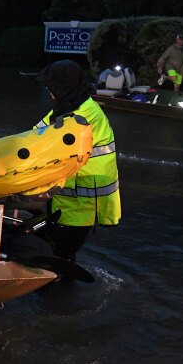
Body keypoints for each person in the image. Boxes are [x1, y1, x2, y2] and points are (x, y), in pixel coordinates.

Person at [35, 60, 121, 263]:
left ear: (64, 87)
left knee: (59, 254)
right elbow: (35, 133)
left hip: (82, 199)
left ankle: (57, 282)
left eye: (52, 87)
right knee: (59, 252)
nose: (49, 92)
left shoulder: (80, 115)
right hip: (70, 196)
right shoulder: (73, 104)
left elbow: (43, 142)